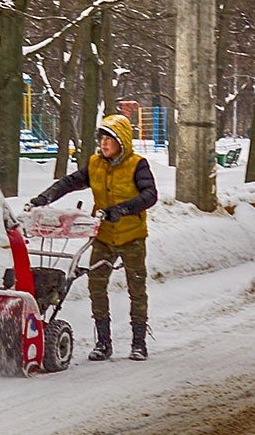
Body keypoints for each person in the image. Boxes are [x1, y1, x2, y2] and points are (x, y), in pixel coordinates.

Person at [27, 114, 158, 361]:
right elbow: (70, 182)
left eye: (110, 138)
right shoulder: (95, 164)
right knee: (96, 287)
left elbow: (150, 195)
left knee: (136, 289)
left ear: (123, 141)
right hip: (104, 236)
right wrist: (44, 197)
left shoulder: (137, 165)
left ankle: (138, 343)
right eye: (102, 138)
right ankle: (103, 343)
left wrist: (122, 209)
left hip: (132, 237)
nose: (104, 143)